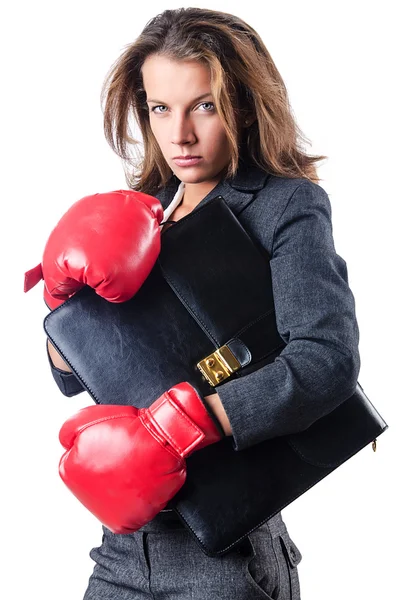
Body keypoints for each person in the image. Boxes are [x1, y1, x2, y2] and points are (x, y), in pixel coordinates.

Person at [36, 7, 360, 600]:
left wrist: (186, 425)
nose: (179, 133)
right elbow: (79, 375)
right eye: (161, 108)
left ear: (242, 104)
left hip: (227, 550)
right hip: (123, 547)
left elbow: (327, 360)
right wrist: (64, 305)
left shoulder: (285, 207)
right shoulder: (140, 210)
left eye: (203, 106)